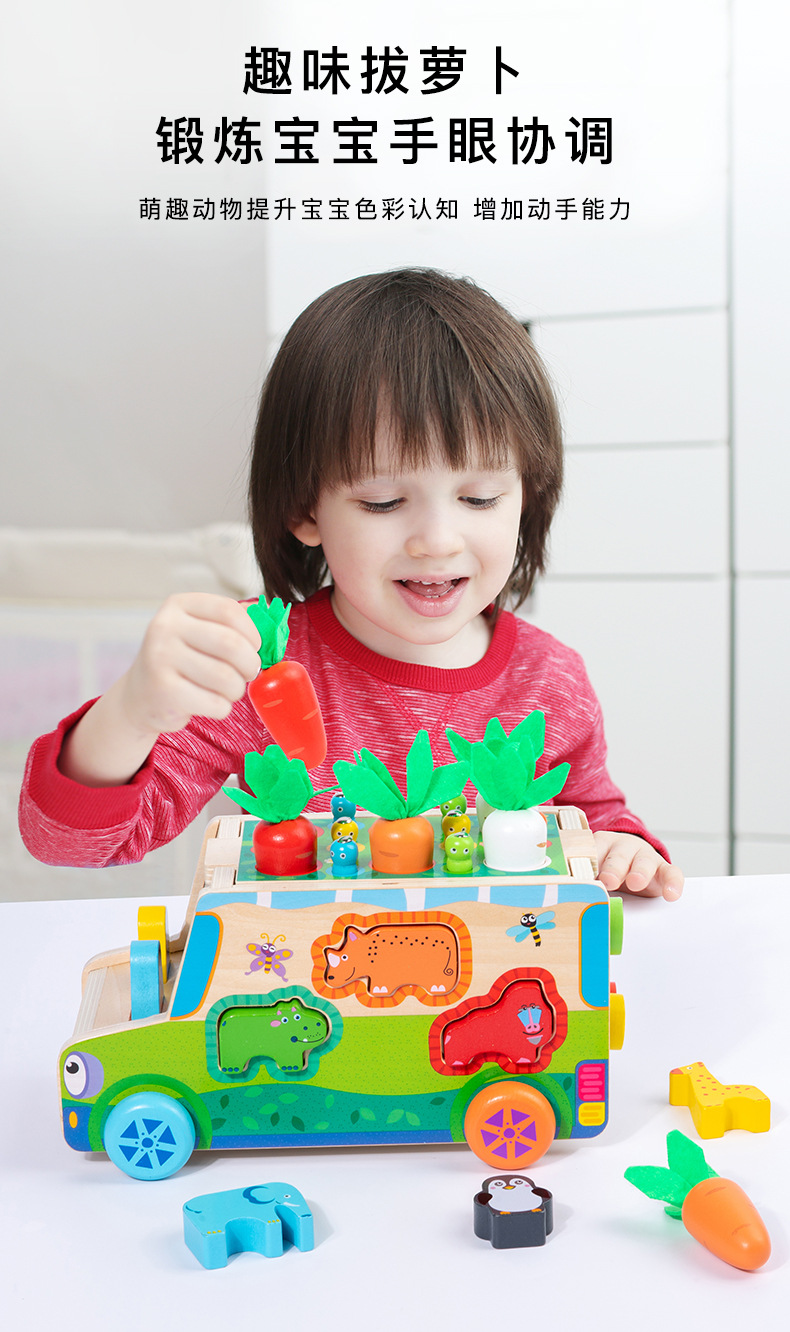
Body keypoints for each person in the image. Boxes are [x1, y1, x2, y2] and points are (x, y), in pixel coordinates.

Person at [19, 269, 683, 901]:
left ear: (527, 497)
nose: (437, 540)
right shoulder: (260, 666)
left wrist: (625, 851)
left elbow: (599, 823)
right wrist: (133, 709)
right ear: (305, 509)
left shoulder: (550, 681)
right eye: (383, 502)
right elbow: (70, 844)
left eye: (479, 498)